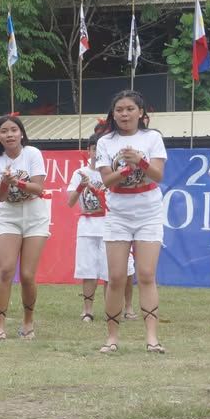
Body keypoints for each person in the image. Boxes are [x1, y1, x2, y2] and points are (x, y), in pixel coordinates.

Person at [95, 90, 167, 354]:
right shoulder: (105, 142)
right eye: (119, 110)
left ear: (141, 113)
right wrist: (124, 168)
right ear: (112, 115)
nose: (124, 114)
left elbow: (158, 175)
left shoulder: (152, 138)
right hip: (118, 212)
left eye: (129, 109)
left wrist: (141, 161)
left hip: (148, 211)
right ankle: (112, 337)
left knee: (146, 275)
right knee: (115, 277)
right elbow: (106, 181)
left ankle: (151, 338)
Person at [0, 114, 49, 341]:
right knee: (5, 270)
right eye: (4, 131)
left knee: (27, 275)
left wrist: (18, 182)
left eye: (13, 130)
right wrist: (5, 182)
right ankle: (0, 325)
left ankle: (28, 321)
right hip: (9, 216)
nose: (9, 134)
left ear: (21, 133)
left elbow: (39, 188)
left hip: (35, 215)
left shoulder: (32, 154)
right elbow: (1, 197)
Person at [66, 131, 134, 323]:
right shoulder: (79, 173)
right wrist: (81, 186)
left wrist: (95, 188)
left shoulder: (112, 172)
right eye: (94, 149)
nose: (97, 153)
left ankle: (110, 309)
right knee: (88, 270)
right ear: (89, 150)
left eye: (100, 149)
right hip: (87, 225)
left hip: (108, 224)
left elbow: (113, 201)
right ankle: (87, 310)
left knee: (109, 271)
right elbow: (70, 202)